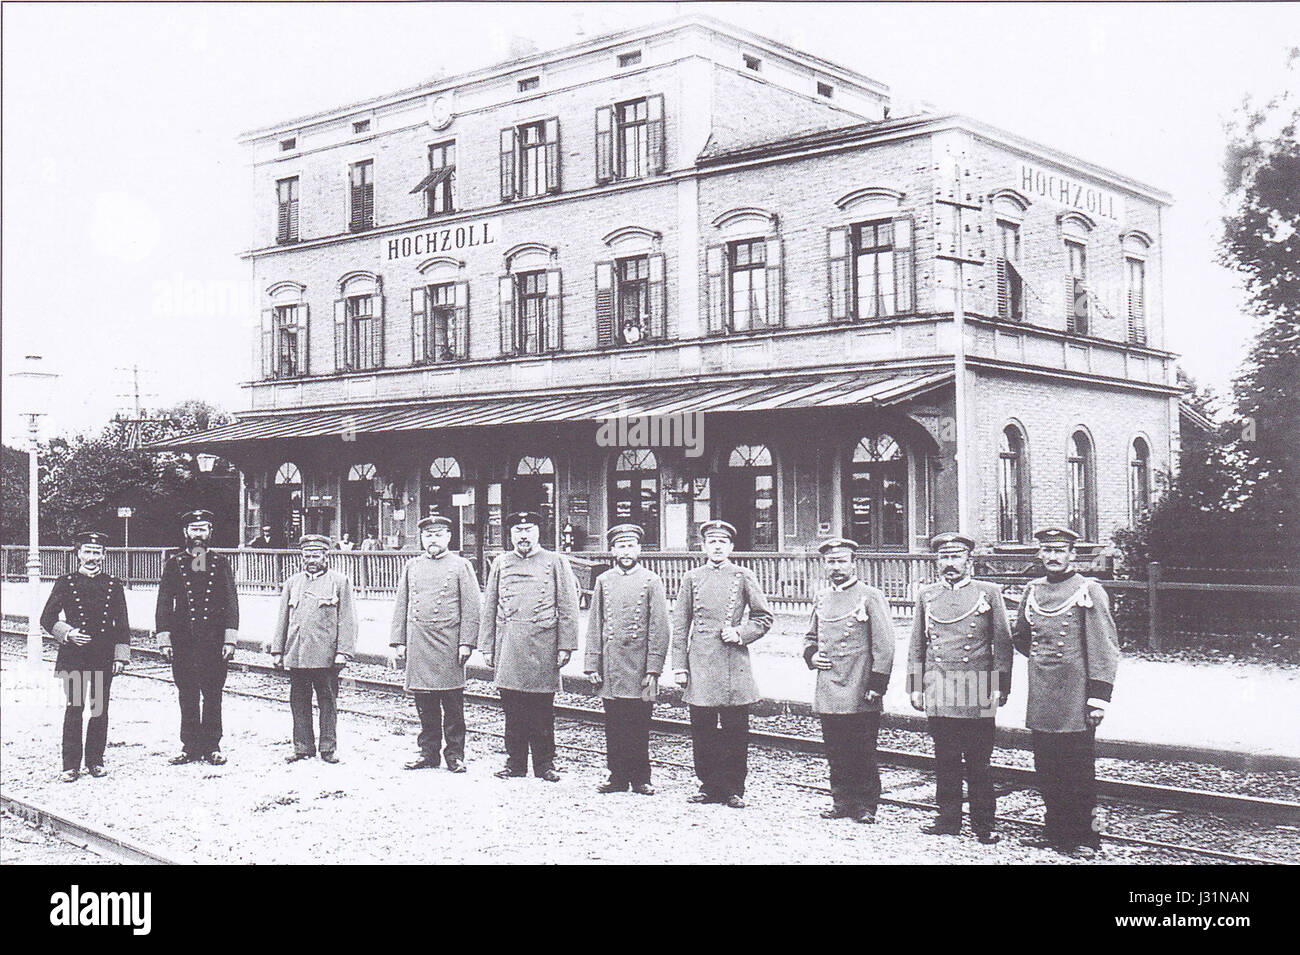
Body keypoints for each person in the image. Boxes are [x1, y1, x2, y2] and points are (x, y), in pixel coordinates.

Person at [1012, 526, 1120, 859]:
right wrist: (1049, 665)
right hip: (1043, 694)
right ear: (1039, 554)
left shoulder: (1088, 590)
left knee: (1078, 771)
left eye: (1060, 550)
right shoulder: (1033, 590)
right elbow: (1021, 637)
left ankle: (1085, 837)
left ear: (1073, 554)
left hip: (1076, 698)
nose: (1053, 557)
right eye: (1047, 550)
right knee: (1046, 767)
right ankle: (1055, 830)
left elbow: (1105, 647)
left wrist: (1098, 698)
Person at [908, 532, 1013, 843]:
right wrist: (915, 686)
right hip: (938, 683)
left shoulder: (989, 592)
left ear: (969, 560)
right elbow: (917, 644)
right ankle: (948, 818)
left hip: (977, 684)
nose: (949, 564)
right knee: (945, 759)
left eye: (956, 557)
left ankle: (984, 824)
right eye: (944, 557)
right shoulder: (927, 595)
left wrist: (1000, 686)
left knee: (979, 762)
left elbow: (1002, 644)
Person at [671, 520, 773, 808]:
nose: (717, 547)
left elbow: (763, 617)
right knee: (702, 730)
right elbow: (680, 624)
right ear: (703, 547)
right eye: (712, 542)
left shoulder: (743, 576)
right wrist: (680, 665)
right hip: (700, 661)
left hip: (732, 662)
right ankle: (708, 786)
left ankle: (734, 789)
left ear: (731, 547)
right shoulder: (691, 578)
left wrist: (741, 633)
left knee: (735, 730)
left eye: (722, 542)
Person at [479, 511, 580, 781]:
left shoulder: (556, 561)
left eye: (529, 529)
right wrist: (487, 646)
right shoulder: (501, 562)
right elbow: (489, 606)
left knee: (542, 710)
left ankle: (545, 765)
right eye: (517, 531)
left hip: (543, 644)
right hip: (510, 644)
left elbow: (568, 605)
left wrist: (566, 645)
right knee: (512, 709)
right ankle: (515, 764)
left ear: (538, 532)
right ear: (510, 535)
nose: (523, 535)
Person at [803, 537, 895, 823]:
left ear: (854, 564)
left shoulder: (870, 595)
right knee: (835, 749)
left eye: (842, 561)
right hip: (830, 684)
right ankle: (841, 801)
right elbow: (810, 636)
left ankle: (866, 806)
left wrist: (877, 684)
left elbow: (885, 645)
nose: (836, 567)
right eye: (831, 562)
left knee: (863, 749)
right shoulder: (822, 597)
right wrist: (811, 656)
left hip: (859, 686)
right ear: (824, 565)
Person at [584, 524, 671, 795]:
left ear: (640, 550)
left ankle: (641, 778)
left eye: (631, 546)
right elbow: (595, 623)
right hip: (611, 665)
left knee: (640, 723)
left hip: (641, 666)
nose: (626, 552)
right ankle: (617, 777)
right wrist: (591, 663)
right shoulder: (603, 581)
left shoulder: (651, 581)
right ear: (612, 550)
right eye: (621, 546)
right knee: (613, 723)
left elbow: (660, 628)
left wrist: (654, 669)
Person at [390, 515, 481, 773]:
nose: (433, 539)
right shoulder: (412, 566)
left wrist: (467, 643)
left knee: (452, 704)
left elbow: (472, 608)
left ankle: (455, 755)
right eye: (428, 535)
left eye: (439, 534)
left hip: (449, 643)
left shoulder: (461, 565)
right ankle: (428, 753)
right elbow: (402, 604)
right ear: (421, 538)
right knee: (425, 702)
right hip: (419, 641)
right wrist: (399, 641)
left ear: (449, 538)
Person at [40, 532, 131, 782]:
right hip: (74, 656)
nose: (92, 557)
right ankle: (70, 765)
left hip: (102, 656)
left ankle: (96, 761)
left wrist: (120, 657)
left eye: (97, 552)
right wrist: (68, 634)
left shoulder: (113, 584)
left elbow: (122, 623)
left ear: (104, 555)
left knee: (99, 709)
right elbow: (46, 618)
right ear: (78, 553)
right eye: (87, 551)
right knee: (74, 708)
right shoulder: (66, 582)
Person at [155, 509, 240, 765]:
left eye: (203, 529)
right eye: (194, 529)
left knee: (213, 694)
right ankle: (190, 746)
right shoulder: (174, 563)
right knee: (188, 694)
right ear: (186, 533)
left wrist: (229, 639)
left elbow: (231, 603)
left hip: (214, 643)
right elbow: (163, 603)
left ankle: (212, 746)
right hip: (184, 642)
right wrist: (164, 638)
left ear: (210, 532)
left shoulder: (220, 563)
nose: (198, 535)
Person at [270, 535, 357, 764]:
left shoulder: (339, 582)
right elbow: (283, 620)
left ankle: (328, 748)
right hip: (297, 654)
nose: (311, 560)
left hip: (325, 657)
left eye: (316, 555)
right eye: (307, 555)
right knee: (298, 701)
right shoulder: (292, 583)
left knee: (327, 701)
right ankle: (302, 747)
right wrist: (278, 651)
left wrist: (343, 652)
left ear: (325, 556)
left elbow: (347, 620)